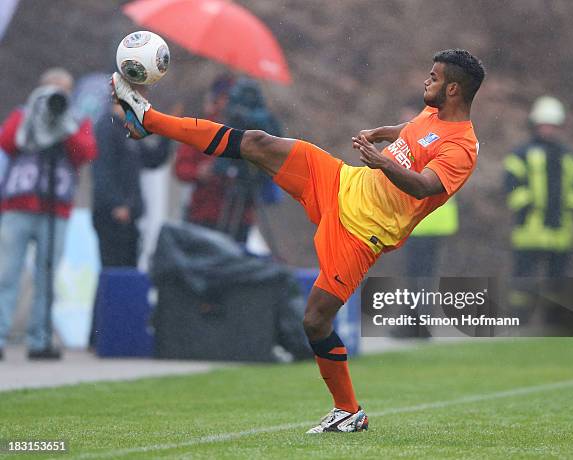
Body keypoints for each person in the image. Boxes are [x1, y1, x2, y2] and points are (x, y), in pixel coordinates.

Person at [112, 48, 485, 433]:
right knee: (258, 142)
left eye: (435, 77)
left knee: (315, 321)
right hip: (342, 182)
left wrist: (382, 160)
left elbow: (425, 186)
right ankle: (148, 120)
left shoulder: (462, 148)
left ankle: (348, 410)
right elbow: (414, 131)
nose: (427, 80)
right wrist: (382, 134)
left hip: (362, 233)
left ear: (453, 89)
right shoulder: (434, 113)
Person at [0, 68, 97, 360]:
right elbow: (7, 141)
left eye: (63, 90)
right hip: (18, 206)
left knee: (47, 277)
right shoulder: (22, 114)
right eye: (51, 89)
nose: (57, 96)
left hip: (57, 209)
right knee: (6, 274)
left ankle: (39, 339)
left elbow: (87, 152)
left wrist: (63, 125)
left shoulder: (77, 120)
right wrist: (35, 116)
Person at [175, 76, 281, 243]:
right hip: (205, 214)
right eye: (225, 98)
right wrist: (199, 172)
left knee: (235, 262)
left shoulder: (250, 131)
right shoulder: (202, 127)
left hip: (241, 216)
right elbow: (181, 168)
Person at [504, 96, 573, 277]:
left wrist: (572, 209)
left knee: (556, 286)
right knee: (523, 284)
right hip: (529, 233)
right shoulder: (521, 154)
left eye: (553, 125)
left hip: (561, 234)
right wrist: (526, 207)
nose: (548, 130)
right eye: (544, 125)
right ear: (535, 124)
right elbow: (511, 185)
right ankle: (520, 307)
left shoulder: (570, 156)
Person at [91, 99, 172, 267]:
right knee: (113, 270)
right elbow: (102, 170)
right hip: (112, 215)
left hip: (130, 215)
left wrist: (168, 132)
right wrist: (116, 204)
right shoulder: (106, 127)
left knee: (129, 271)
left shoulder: (128, 130)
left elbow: (152, 159)